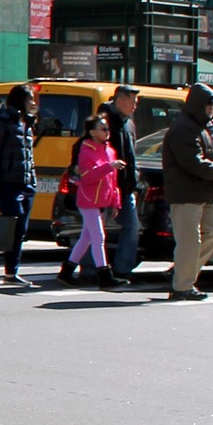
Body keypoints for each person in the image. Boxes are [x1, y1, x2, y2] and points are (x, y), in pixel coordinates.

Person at [160, 82, 213, 301]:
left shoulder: (198, 126)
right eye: (210, 107)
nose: (212, 111)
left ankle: (183, 271)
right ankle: (182, 285)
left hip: (202, 192)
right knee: (190, 240)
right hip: (186, 193)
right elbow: (191, 161)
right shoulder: (184, 127)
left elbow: (202, 157)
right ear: (199, 105)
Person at [0, 83, 38, 287]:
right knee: (12, 224)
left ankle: (6, 270)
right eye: (30, 99)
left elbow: (28, 154)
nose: (33, 103)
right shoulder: (2, 119)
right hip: (6, 182)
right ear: (21, 100)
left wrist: (33, 180)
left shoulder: (27, 122)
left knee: (19, 228)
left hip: (26, 182)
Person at [58, 116, 128, 288]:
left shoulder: (109, 150)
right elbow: (88, 177)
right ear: (92, 132)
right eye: (103, 129)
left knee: (87, 238)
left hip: (101, 200)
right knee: (99, 237)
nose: (107, 132)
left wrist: (115, 201)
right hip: (88, 200)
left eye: (107, 129)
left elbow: (112, 180)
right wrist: (109, 166)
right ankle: (104, 274)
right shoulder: (86, 150)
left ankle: (66, 271)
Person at [98, 86, 142, 278]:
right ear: (120, 100)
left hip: (124, 187)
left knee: (132, 226)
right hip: (104, 186)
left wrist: (135, 181)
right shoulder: (104, 121)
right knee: (96, 231)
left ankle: (123, 269)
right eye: (132, 102)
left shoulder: (129, 124)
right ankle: (90, 270)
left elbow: (132, 156)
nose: (135, 106)